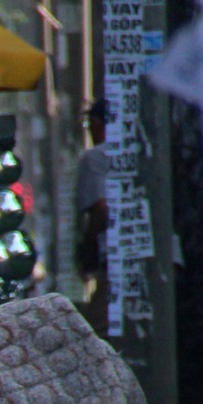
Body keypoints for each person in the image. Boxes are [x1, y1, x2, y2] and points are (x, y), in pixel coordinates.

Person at [75, 101, 112, 337]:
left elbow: (100, 207)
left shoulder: (96, 157)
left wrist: (87, 247)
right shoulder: (150, 151)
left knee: (95, 334)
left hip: (121, 260)